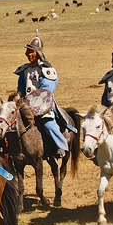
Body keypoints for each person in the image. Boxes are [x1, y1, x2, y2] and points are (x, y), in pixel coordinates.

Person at [13, 31, 69, 159]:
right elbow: (21, 89)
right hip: (25, 105)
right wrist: (18, 99)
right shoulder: (24, 70)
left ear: (38, 53)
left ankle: (61, 146)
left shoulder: (46, 69)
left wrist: (35, 104)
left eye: (31, 52)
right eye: (28, 52)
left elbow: (46, 90)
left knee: (48, 124)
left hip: (43, 105)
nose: (29, 55)